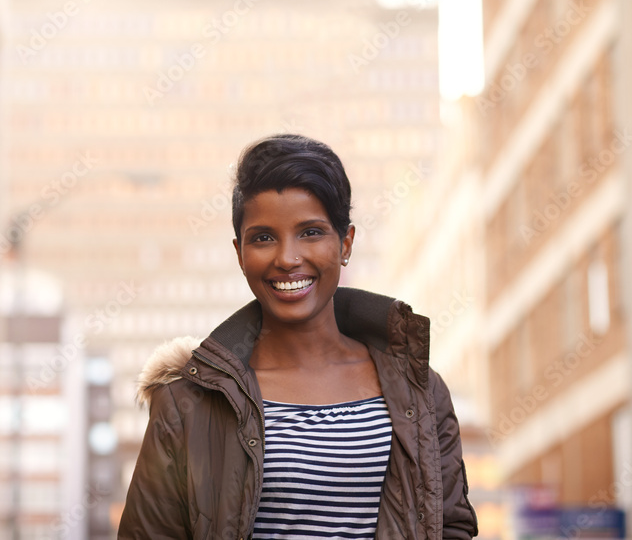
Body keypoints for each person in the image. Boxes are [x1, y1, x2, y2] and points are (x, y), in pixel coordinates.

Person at [117, 133, 479, 539]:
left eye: (310, 232)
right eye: (264, 237)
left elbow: (451, 527)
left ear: (345, 243)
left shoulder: (420, 392)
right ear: (239, 253)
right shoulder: (190, 404)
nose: (287, 258)